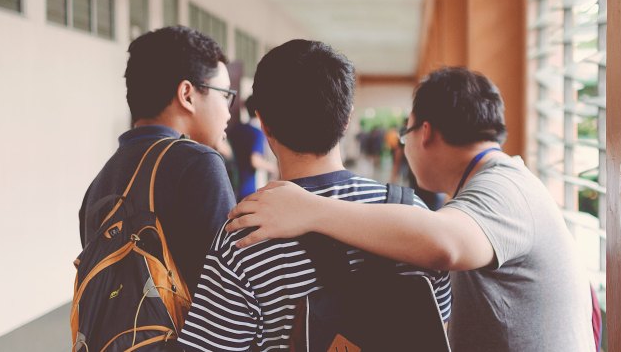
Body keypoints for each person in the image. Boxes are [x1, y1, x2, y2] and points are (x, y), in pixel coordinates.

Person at [228, 67, 596, 352]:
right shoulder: (504, 181)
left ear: (425, 133)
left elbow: (444, 243)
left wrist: (311, 209)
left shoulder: (505, 188)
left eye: (404, 136)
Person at [178, 40, 451, 352]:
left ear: (265, 124)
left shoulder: (245, 235)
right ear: (346, 119)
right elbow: (437, 331)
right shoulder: (411, 216)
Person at [79, 26, 237, 285]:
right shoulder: (200, 164)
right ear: (187, 94)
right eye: (226, 95)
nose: (228, 111)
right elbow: (229, 293)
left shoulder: (101, 181)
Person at [227, 95, 276, 200]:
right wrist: (272, 167)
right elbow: (255, 161)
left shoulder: (236, 129)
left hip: (231, 184)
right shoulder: (257, 133)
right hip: (248, 189)